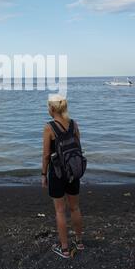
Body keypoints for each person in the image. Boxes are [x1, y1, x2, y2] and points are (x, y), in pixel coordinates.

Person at [42, 95, 84, 259]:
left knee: (60, 211)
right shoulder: (74, 124)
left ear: (51, 108)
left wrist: (43, 174)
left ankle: (65, 249)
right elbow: (78, 148)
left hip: (57, 174)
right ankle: (79, 242)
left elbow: (46, 155)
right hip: (73, 172)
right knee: (75, 208)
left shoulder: (49, 127)